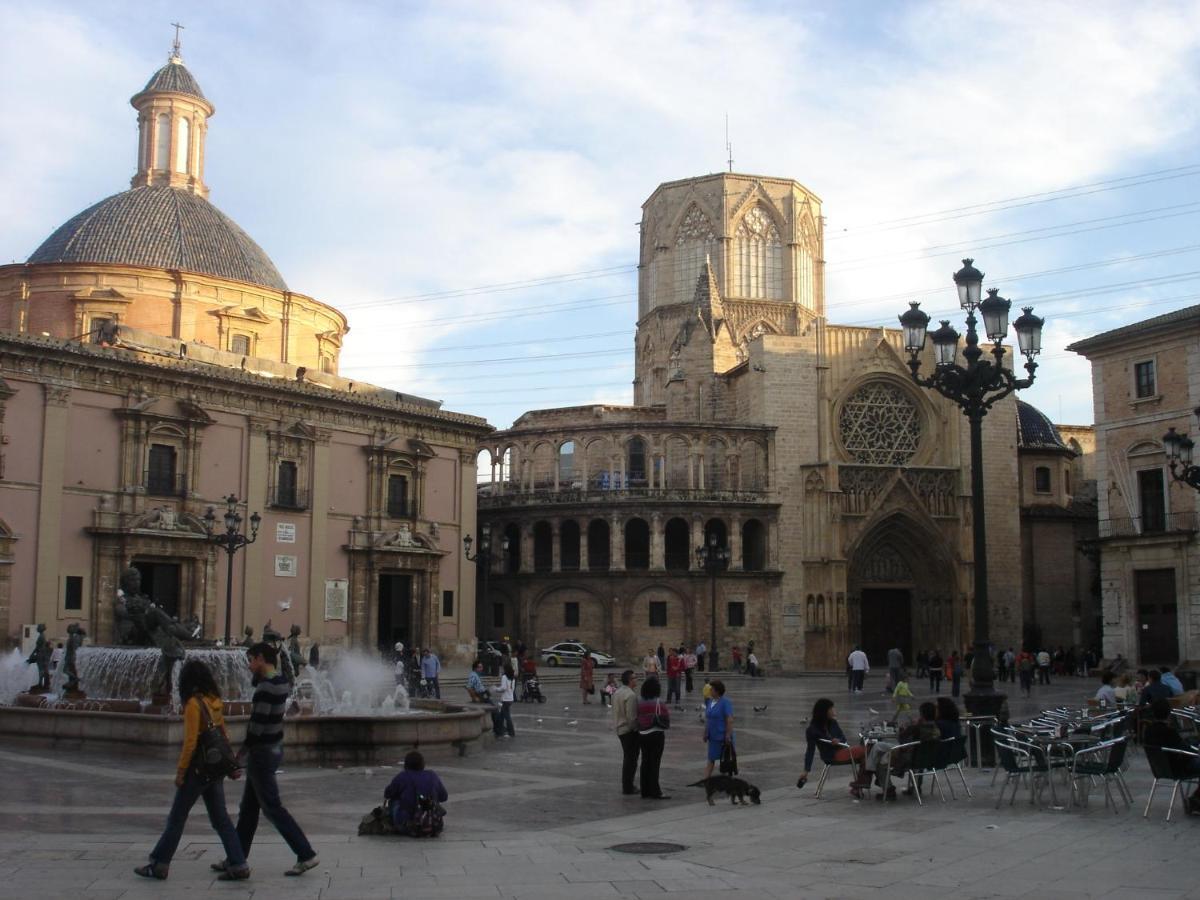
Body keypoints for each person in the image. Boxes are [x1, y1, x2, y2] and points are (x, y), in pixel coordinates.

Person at [135, 659, 250, 881]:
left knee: (177, 818)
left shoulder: (193, 705)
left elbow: (190, 743)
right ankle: (239, 863)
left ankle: (159, 864)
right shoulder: (214, 700)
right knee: (221, 819)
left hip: (197, 771)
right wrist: (230, 766)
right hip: (214, 769)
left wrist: (180, 773)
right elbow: (223, 735)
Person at [217, 643, 317, 878]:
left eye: (252, 660)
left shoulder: (265, 688)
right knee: (249, 809)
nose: (249, 665)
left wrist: (240, 755)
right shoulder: (281, 681)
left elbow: (256, 727)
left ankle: (305, 853)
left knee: (272, 807)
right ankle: (236, 857)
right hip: (273, 747)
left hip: (261, 752)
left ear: (262, 659)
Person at [858, 701, 941, 800]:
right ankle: (914, 787)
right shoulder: (936, 728)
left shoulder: (916, 728)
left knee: (880, 760)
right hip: (925, 758)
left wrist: (904, 729)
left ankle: (887, 789)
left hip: (907, 757)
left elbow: (902, 739)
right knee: (878, 747)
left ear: (922, 714)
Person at [796, 698, 867, 798]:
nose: (834, 711)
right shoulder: (812, 729)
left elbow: (843, 738)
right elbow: (810, 751)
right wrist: (806, 771)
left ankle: (859, 786)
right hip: (831, 755)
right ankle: (861, 784)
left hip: (842, 749)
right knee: (867, 750)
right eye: (831, 709)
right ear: (824, 711)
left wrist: (838, 740)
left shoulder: (832, 722)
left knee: (867, 757)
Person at [1142, 697, 1200, 814]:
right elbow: (1185, 750)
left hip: (1161, 768)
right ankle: (1196, 798)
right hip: (1178, 767)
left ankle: (1197, 798)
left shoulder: (1148, 731)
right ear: (1168, 713)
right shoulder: (1169, 732)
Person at [383, 750, 448, 835]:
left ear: (405, 765)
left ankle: (402, 822)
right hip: (434, 825)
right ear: (423, 764)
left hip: (408, 826)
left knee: (392, 802)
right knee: (431, 801)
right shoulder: (432, 775)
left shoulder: (403, 776)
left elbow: (388, 794)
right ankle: (426, 822)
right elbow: (444, 797)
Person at [636, 676, 670, 799]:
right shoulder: (658, 702)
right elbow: (666, 717)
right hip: (656, 734)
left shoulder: (639, 701)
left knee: (645, 761)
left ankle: (644, 790)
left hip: (642, 734)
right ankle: (655, 791)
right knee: (655, 763)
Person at [613, 670, 641, 795]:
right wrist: (636, 730)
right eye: (634, 678)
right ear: (630, 680)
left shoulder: (617, 692)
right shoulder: (631, 695)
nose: (636, 680)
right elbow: (631, 718)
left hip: (619, 728)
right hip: (629, 731)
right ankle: (628, 786)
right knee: (631, 760)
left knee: (627, 758)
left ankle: (627, 785)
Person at [702, 679, 734, 780]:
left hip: (722, 735)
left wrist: (728, 735)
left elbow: (729, 720)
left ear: (717, 691)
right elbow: (709, 719)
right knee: (711, 758)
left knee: (724, 759)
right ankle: (706, 779)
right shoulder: (710, 701)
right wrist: (705, 732)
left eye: (712, 689)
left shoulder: (725, 702)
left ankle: (725, 779)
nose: (710, 691)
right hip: (713, 736)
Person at [494, 663, 516, 738]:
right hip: (510, 698)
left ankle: (511, 732)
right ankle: (499, 730)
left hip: (506, 699)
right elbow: (512, 689)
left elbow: (503, 688)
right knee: (501, 716)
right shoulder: (513, 678)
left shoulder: (504, 677)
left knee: (507, 716)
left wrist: (496, 689)